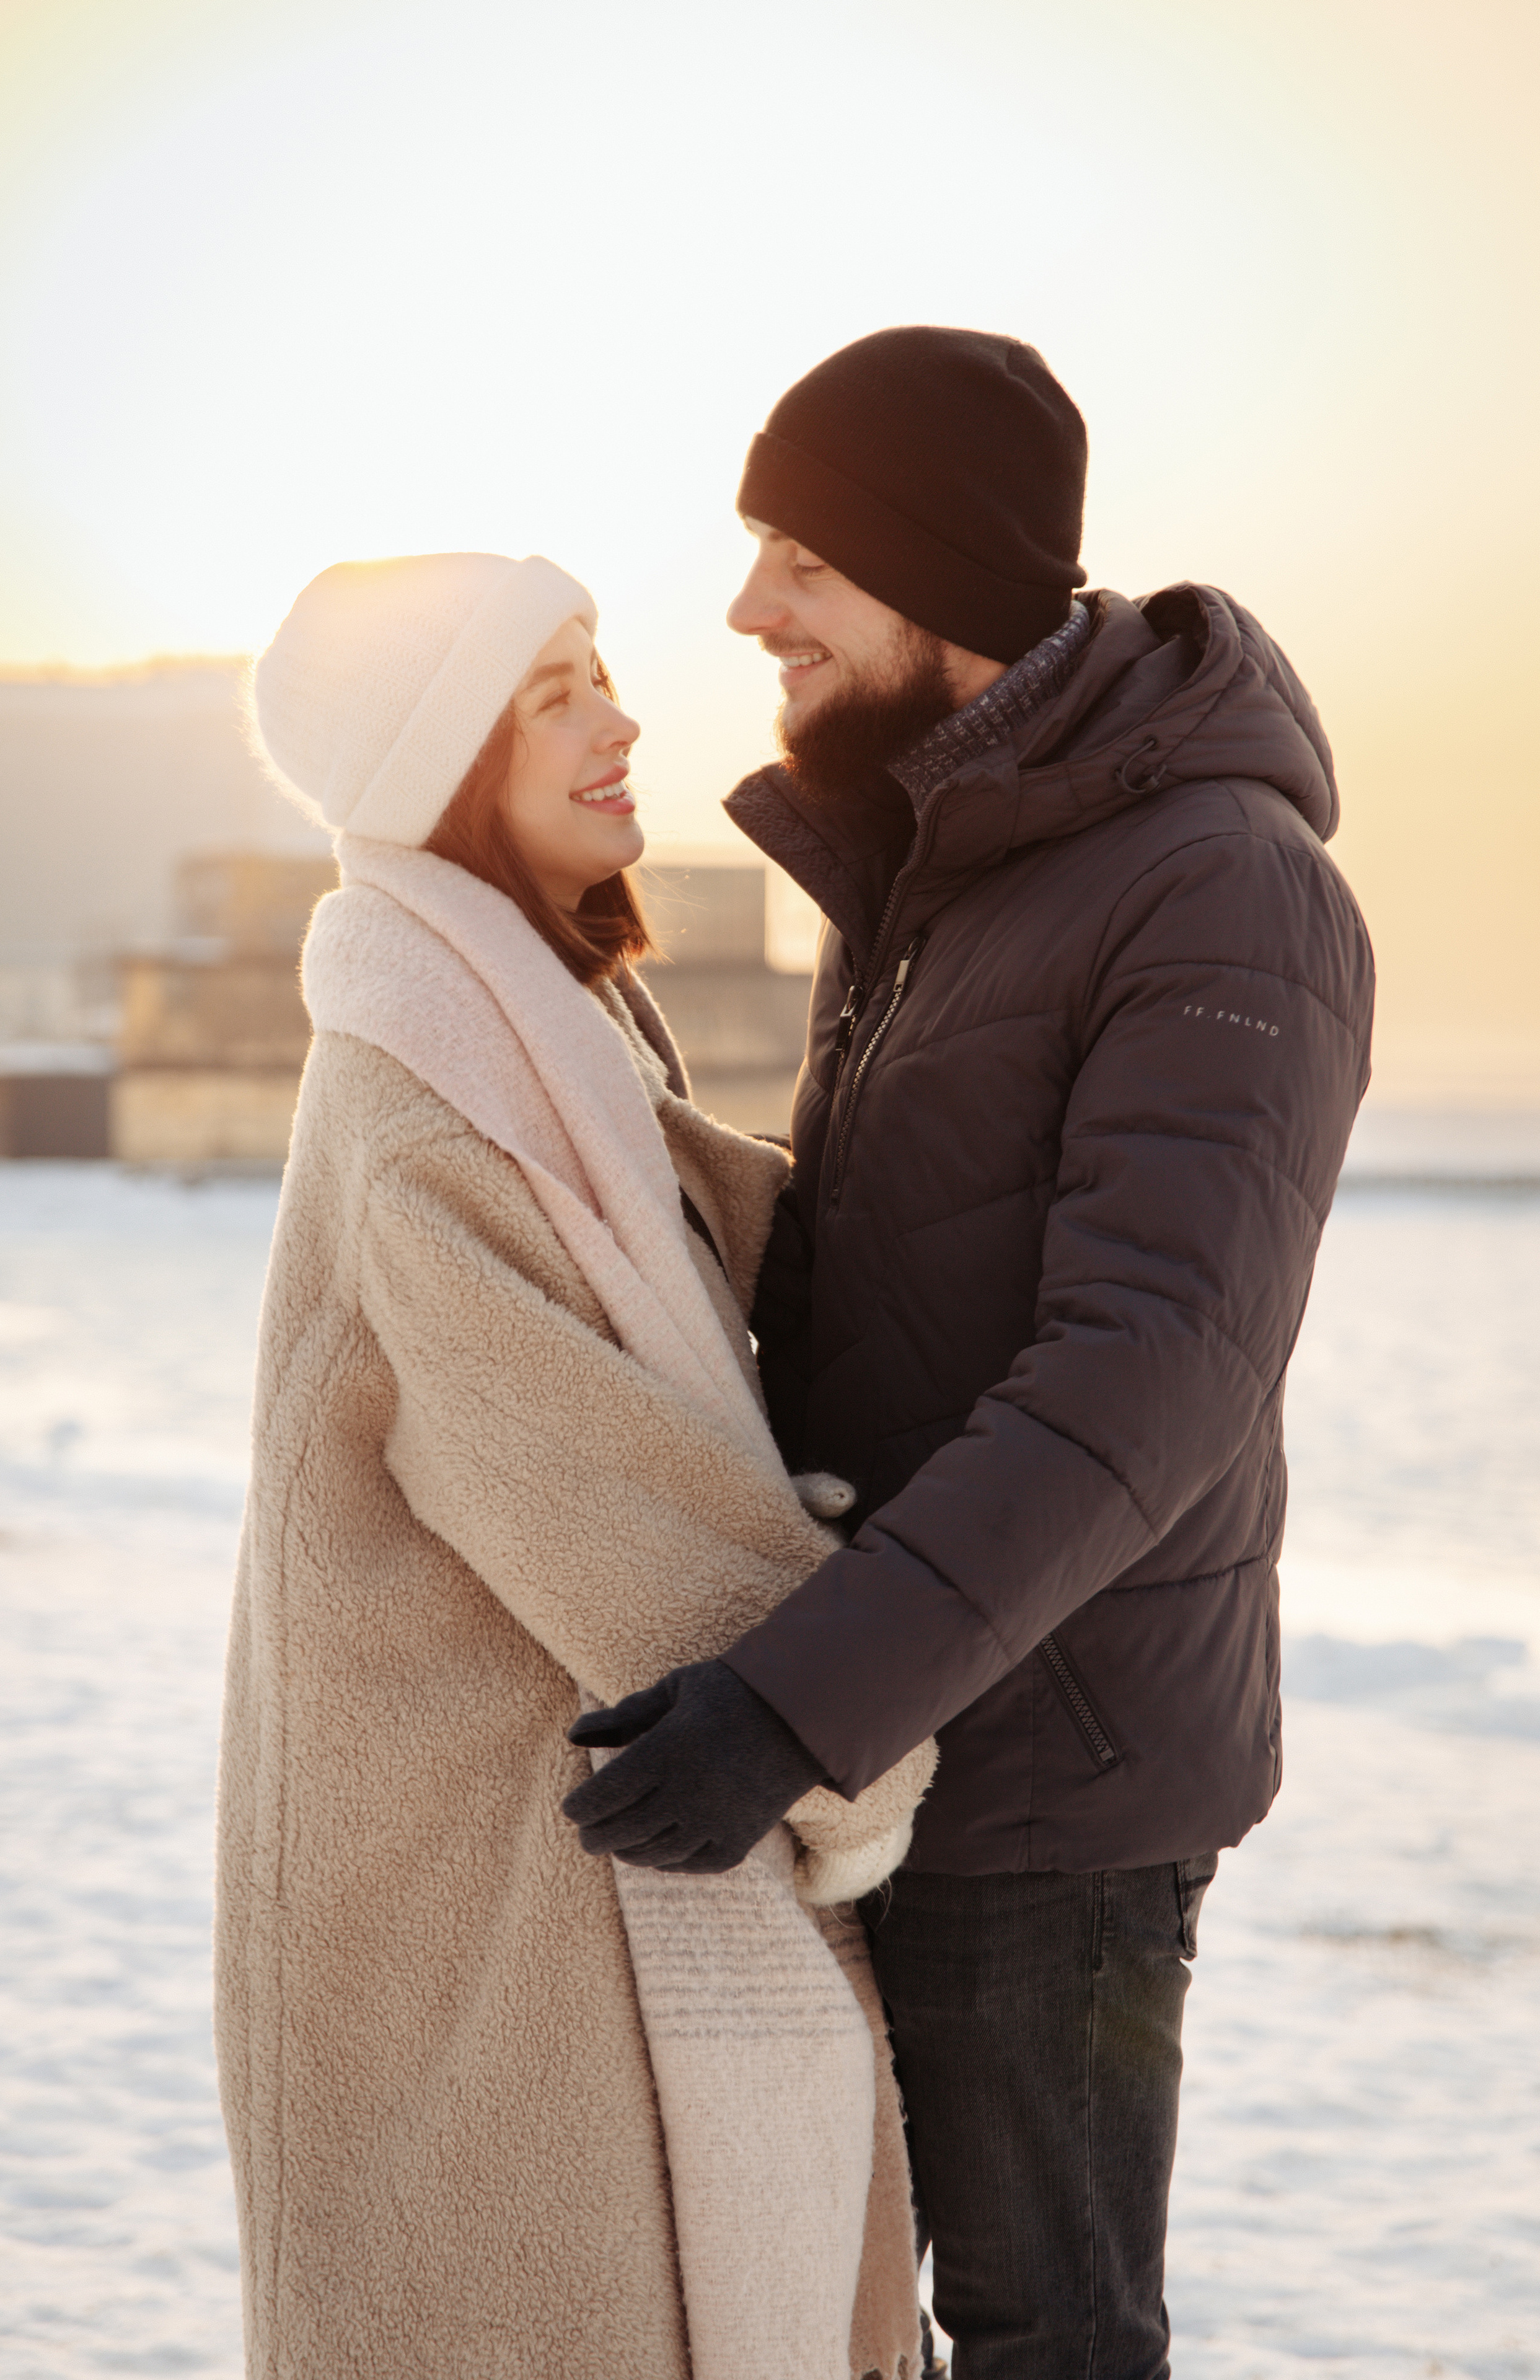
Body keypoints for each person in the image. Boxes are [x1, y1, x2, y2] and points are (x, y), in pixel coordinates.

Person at [571, 330, 1376, 2379]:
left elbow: (1149, 1377)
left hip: (1051, 1780)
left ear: (942, 576)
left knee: (1046, 2337)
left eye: (803, 559)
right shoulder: (943, 862)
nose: (751, 607)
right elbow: (905, 1274)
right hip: (894, 1734)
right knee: (829, 2317)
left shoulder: (1221, 889)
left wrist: (795, 1705)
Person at [214, 550, 935, 2380]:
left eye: (602, 670)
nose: (623, 722)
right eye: (553, 691)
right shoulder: (428, 1105)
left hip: (540, 1869)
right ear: (438, 757)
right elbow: (614, 1514)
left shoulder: (546, 1034)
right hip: (492, 1914)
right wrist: (873, 1729)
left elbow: (721, 1257)